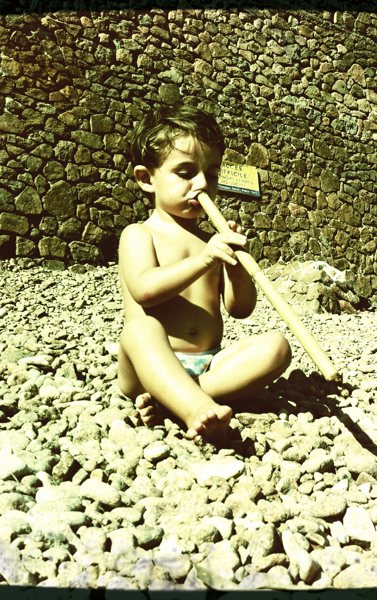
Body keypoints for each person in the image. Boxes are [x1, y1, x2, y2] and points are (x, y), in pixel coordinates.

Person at [117, 105, 292, 444]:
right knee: (140, 329)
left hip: (209, 363)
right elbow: (144, 290)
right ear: (146, 179)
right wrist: (205, 259)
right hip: (148, 367)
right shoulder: (140, 234)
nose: (201, 184)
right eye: (185, 173)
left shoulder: (209, 240)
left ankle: (177, 399)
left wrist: (235, 265)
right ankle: (195, 408)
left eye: (211, 174)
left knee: (276, 347)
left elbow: (240, 309)